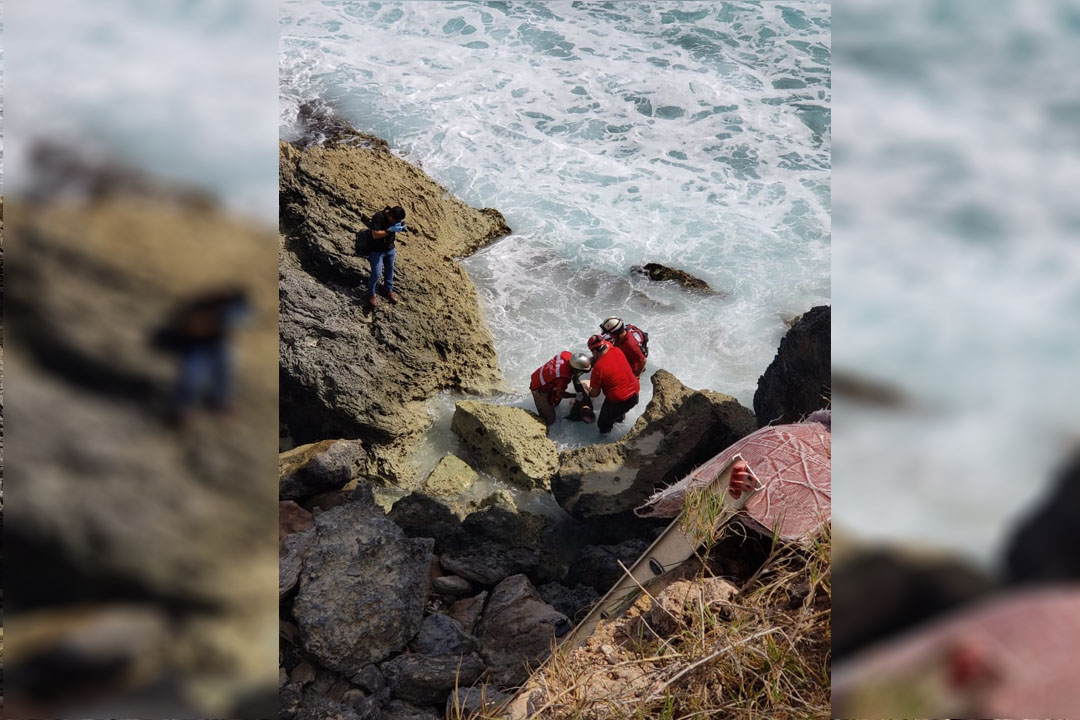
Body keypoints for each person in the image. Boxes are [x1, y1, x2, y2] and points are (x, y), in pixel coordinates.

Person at [586, 334, 640, 434]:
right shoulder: (617, 350)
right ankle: (620, 420)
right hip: (635, 395)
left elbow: (595, 393)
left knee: (602, 424)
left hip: (619, 401)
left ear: (594, 352)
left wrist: (587, 391)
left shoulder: (598, 368)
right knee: (618, 413)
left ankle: (605, 442)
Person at [530, 351, 592, 427]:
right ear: (575, 369)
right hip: (537, 387)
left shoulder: (566, 354)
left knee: (555, 401)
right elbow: (560, 394)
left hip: (539, 375)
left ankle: (551, 404)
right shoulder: (564, 377)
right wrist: (576, 395)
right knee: (551, 420)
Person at [362, 205, 408, 307]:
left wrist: (401, 227)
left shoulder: (394, 218)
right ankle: (371, 294)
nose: (396, 222)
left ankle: (388, 289)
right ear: (390, 216)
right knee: (376, 273)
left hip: (390, 248)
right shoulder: (378, 217)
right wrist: (390, 230)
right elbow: (375, 234)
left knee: (390, 270)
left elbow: (396, 225)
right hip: (376, 251)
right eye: (395, 220)